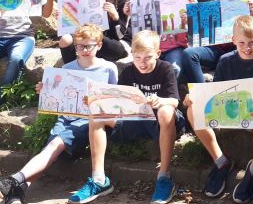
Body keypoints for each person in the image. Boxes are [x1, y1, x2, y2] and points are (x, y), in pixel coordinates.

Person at [0, 24, 118, 204]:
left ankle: (14, 180)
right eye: (79, 46)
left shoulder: (108, 68)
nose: (84, 50)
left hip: (88, 120)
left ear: (99, 45)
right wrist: (45, 90)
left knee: (55, 145)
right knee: (51, 150)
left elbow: (113, 100)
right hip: (65, 118)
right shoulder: (67, 68)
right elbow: (58, 97)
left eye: (89, 46)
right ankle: (18, 188)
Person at [68, 30, 185, 204]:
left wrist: (159, 101)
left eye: (148, 57)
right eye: (137, 57)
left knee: (166, 111)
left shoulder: (165, 68)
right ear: (132, 55)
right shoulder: (129, 71)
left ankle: (164, 177)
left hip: (160, 122)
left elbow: (174, 101)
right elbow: (117, 100)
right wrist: (94, 99)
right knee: (96, 110)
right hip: (135, 120)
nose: (142, 63)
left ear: (158, 54)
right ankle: (99, 179)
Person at [183, 15, 253, 202]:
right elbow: (214, 94)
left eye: (252, 42)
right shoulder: (225, 60)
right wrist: (193, 98)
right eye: (242, 43)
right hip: (229, 113)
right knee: (192, 110)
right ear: (233, 40)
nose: (247, 47)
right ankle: (221, 161)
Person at [178, 0, 253, 85]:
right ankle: (202, 91)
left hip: (239, 51)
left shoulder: (250, 4)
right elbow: (198, 37)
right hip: (215, 51)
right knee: (189, 53)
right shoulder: (211, 5)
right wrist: (190, 23)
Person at [127, 0, 200, 85]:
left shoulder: (188, 0)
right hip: (151, 46)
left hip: (176, 47)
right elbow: (139, 25)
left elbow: (197, 32)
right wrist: (130, 12)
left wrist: (192, 16)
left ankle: (168, 94)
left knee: (174, 68)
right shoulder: (145, 0)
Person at [57, 0, 131, 65]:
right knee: (65, 39)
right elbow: (78, 20)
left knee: (91, 38)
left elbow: (120, 35)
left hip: (117, 44)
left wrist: (115, 18)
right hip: (94, 39)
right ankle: (72, 70)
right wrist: (64, 16)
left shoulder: (124, 0)